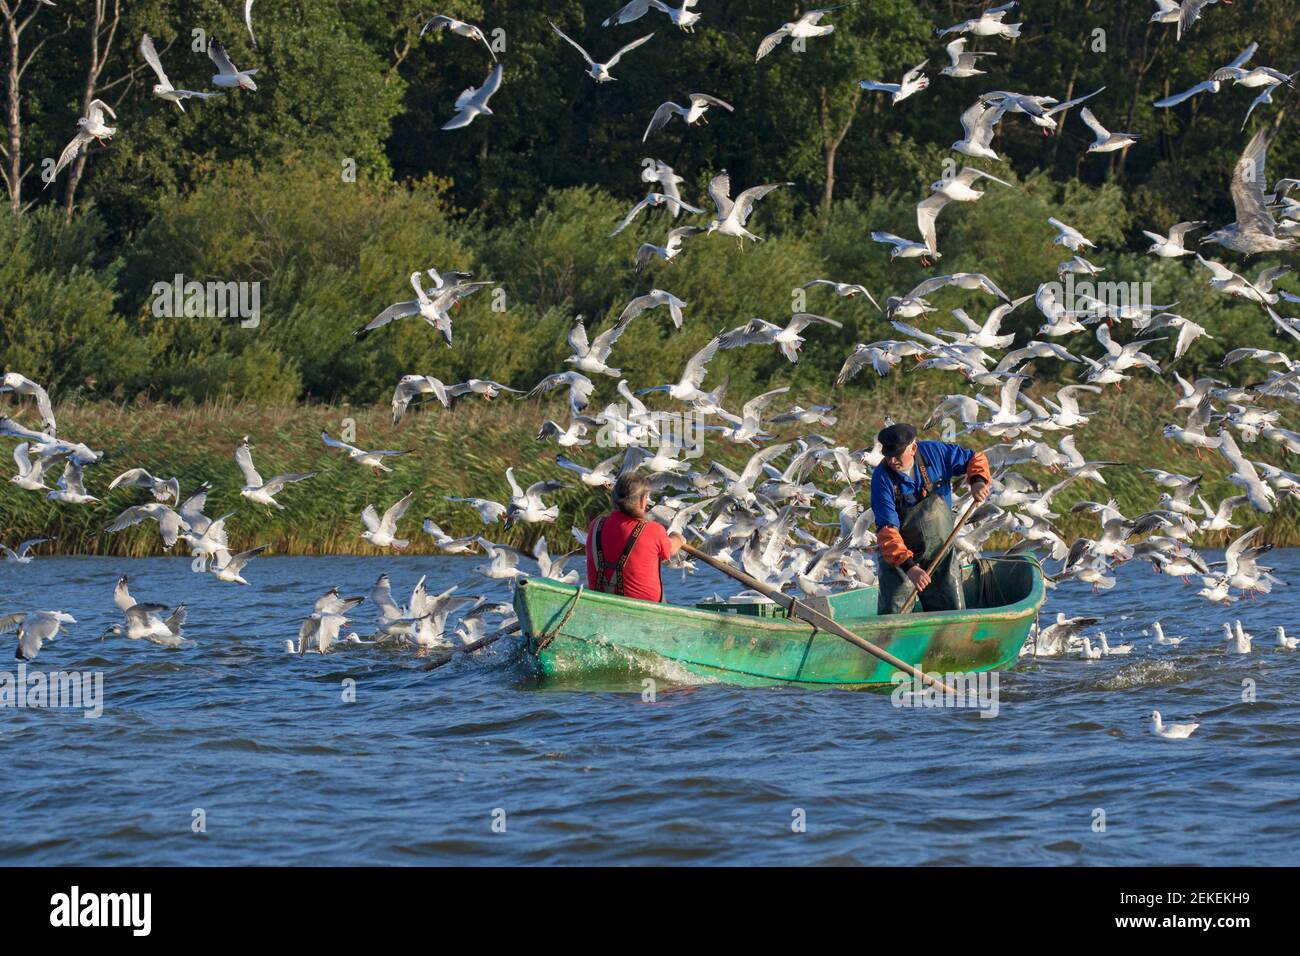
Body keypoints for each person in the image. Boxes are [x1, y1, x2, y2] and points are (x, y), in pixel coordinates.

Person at [870, 423, 991, 615]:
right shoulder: (881, 478)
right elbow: (887, 530)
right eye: (888, 455)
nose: (892, 460)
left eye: (898, 454)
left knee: (951, 613)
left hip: (940, 552)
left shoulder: (935, 452)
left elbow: (975, 459)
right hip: (900, 560)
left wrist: (978, 482)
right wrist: (909, 567)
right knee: (894, 615)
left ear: (913, 447)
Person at [586, 473, 685, 602]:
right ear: (643, 500)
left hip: (599, 601)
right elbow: (671, 549)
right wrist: (678, 537)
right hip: (645, 606)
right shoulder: (653, 530)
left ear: (613, 499)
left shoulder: (595, 525)